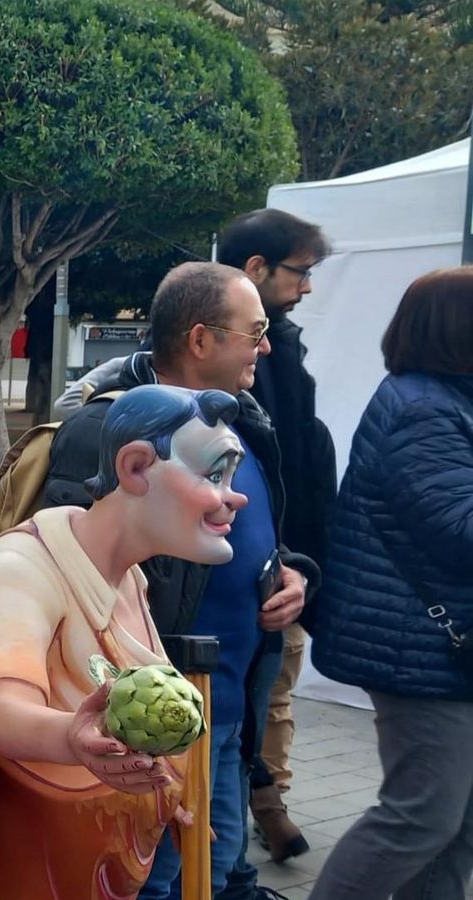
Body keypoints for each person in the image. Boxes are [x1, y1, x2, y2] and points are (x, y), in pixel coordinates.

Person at [41, 262, 317, 899]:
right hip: (153, 719)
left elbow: (258, 535)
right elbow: (73, 576)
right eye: (256, 332)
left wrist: (295, 573)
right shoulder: (104, 427)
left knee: (210, 874)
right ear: (201, 341)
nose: (267, 346)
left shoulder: (242, 419)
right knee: (155, 881)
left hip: (226, 703)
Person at [0, 384, 246, 900]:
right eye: (215, 474)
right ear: (135, 468)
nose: (235, 496)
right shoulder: (19, 571)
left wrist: (168, 800)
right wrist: (70, 736)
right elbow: (2, 711)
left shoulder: (130, 577)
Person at [308, 267, 473, 900]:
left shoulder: (443, 399)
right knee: (420, 817)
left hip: (436, 647)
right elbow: (458, 530)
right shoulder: (423, 410)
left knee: (454, 825)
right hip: (419, 649)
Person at [215, 209, 335, 870]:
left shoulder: (282, 348)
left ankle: (263, 806)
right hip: (243, 583)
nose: (308, 287)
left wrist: (298, 566)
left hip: (280, 566)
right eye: (300, 272)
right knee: (246, 709)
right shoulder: (201, 390)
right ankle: (257, 808)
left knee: (273, 691)